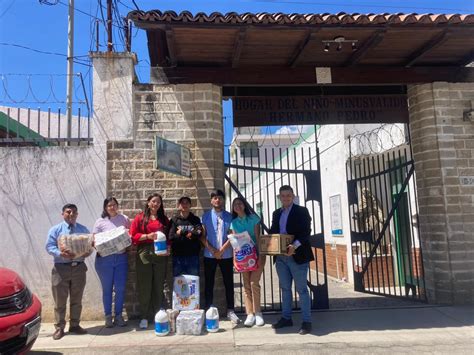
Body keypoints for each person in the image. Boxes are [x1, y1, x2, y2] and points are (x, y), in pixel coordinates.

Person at [270, 185, 314, 335]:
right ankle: (286, 318)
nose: (286, 198)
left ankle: (306, 322)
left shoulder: (302, 211)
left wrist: (294, 246)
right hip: (281, 257)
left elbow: (306, 232)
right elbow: (273, 232)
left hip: (297, 255)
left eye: (288, 195)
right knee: (285, 289)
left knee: (302, 290)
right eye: (283, 196)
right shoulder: (276, 213)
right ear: (279, 197)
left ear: (293, 196)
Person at [45, 203, 91, 340]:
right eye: (68, 212)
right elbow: (49, 247)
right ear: (63, 214)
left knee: (77, 298)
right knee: (60, 300)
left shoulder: (83, 230)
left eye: (74, 212)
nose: (71, 214)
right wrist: (61, 253)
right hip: (61, 269)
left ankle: (75, 325)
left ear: (77, 214)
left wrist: (87, 251)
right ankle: (59, 327)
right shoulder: (55, 230)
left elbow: (88, 247)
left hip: (79, 268)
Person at [130, 193, 170, 330]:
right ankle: (144, 317)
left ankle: (158, 314)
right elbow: (133, 236)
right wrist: (148, 236)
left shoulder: (164, 219)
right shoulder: (140, 218)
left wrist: (168, 248)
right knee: (145, 285)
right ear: (148, 203)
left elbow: (168, 236)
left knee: (159, 285)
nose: (156, 204)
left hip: (160, 253)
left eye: (158, 202)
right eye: (153, 201)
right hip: (145, 252)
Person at [201, 189, 241, 324]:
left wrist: (222, 250)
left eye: (220, 198)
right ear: (211, 200)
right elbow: (202, 236)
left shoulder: (230, 217)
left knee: (229, 283)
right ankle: (208, 309)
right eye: (215, 198)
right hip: (209, 254)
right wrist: (212, 250)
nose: (217, 200)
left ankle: (231, 310)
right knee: (209, 283)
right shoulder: (205, 217)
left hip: (226, 254)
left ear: (223, 200)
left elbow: (232, 235)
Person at [92, 197, 131, 328]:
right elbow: (94, 241)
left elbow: (130, 235)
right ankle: (108, 316)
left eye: (114, 205)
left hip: (121, 259)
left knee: (120, 289)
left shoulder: (124, 219)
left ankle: (119, 316)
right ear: (105, 207)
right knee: (107, 289)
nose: (112, 207)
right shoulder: (100, 222)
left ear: (117, 206)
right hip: (105, 260)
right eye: (109, 205)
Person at [230, 197, 266, 327]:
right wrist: (235, 259)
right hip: (243, 256)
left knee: (253, 283)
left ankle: (258, 313)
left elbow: (258, 238)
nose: (238, 206)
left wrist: (261, 255)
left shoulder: (254, 219)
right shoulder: (233, 223)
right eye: (235, 205)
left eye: (240, 204)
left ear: (244, 205)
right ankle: (249, 314)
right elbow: (235, 242)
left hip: (256, 254)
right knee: (246, 285)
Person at [169, 196, 203, 277]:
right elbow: (171, 237)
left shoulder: (195, 219)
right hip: (178, 257)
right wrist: (189, 233)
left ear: (190, 205)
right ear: (179, 205)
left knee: (193, 284)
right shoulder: (174, 220)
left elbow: (199, 231)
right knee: (179, 284)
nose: (184, 205)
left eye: (187, 203)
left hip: (193, 256)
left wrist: (182, 232)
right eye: (182, 203)